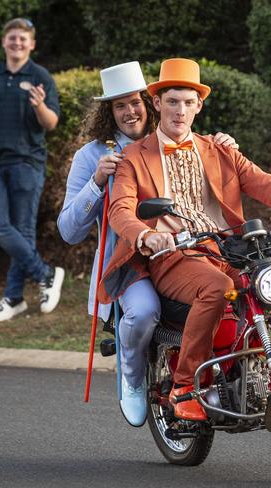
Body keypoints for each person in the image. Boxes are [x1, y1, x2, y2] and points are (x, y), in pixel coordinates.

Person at [98, 58, 271, 421]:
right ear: (156, 103)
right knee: (218, 287)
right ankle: (185, 385)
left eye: (188, 103)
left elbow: (262, 181)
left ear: (198, 106)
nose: (180, 111)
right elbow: (121, 210)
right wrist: (145, 234)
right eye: (172, 102)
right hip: (175, 255)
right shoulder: (132, 156)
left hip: (232, 249)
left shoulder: (219, 148)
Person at [58, 61, 238, 426]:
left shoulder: (171, 136)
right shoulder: (91, 155)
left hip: (185, 250)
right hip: (130, 262)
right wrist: (95, 184)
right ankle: (133, 376)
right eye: (119, 105)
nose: (129, 112)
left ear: (150, 102)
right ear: (108, 112)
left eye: (135, 102)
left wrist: (224, 148)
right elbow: (68, 231)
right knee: (142, 312)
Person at [0, 18, 64, 322]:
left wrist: (39, 106)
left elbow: (51, 123)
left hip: (27, 162)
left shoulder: (41, 76)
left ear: (32, 44)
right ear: (4, 42)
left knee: (23, 230)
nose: (17, 43)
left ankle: (14, 298)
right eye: (12, 39)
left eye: (23, 39)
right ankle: (46, 274)